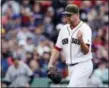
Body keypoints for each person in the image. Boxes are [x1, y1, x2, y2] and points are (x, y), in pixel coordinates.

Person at [48, 4, 93, 87]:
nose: (66, 17)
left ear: (77, 15)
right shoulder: (63, 29)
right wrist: (50, 64)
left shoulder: (85, 28)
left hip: (83, 64)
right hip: (70, 67)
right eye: (66, 15)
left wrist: (81, 41)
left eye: (69, 15)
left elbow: (86, 51)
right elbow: (57, 48)